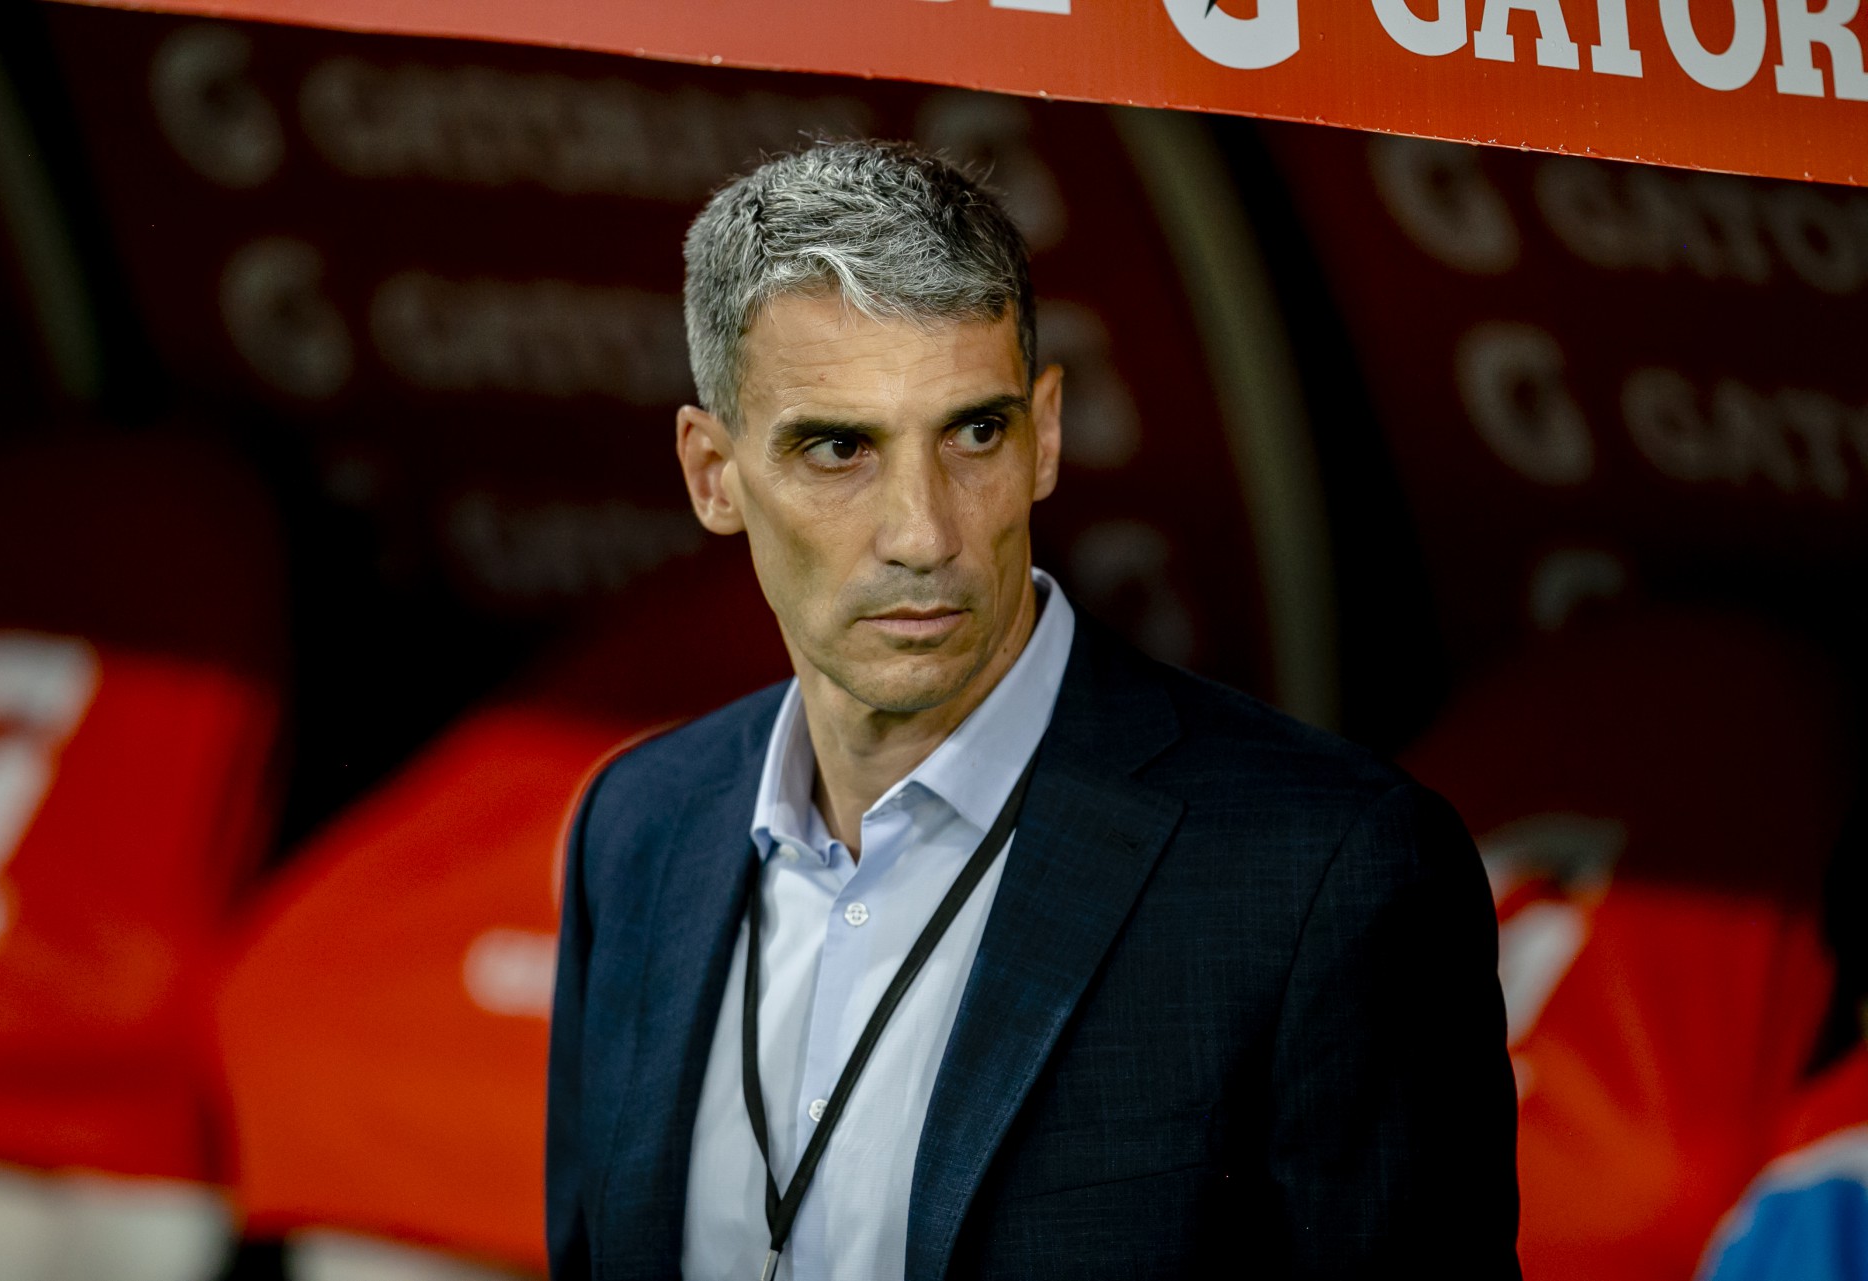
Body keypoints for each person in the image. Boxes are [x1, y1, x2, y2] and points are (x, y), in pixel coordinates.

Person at [545, 139, 1519, 1280]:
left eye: (975, 432)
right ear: (713, 473)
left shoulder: (1328, 873)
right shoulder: (636, 830)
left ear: (1045, 433)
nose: (923, 534)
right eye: (839, 448)